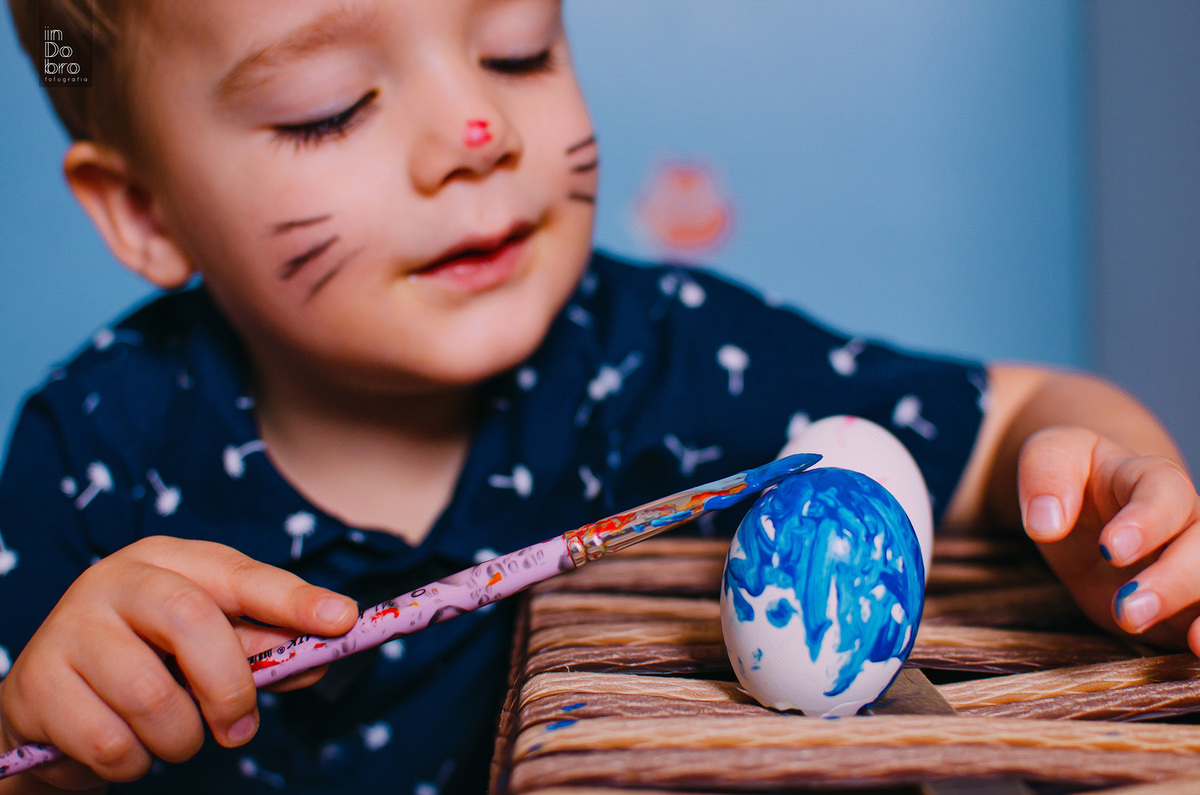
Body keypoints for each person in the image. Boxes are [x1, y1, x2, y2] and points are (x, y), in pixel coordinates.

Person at [1, 1, 1196, 792]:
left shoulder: (650, 359)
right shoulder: (91, 450)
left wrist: (1117, 515)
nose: (477, 131)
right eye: (330, 107)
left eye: (518, 45)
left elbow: (1027, 414)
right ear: (145, 211)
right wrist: (39, 730)